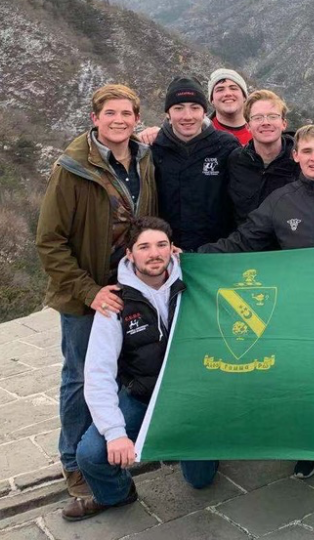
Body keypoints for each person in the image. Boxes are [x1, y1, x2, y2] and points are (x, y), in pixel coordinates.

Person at [200, 124, 314, 479]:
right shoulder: (280, 201)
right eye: (308, 152)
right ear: (296, 155)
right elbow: (242, 242)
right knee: (304, 377)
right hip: (298, 308)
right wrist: (193, 259)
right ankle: (307, 446)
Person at [36, 84, 157, 498]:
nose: (119, 120)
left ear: (137, 119)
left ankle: (115, 443)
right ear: (95, 118)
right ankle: (74, 463)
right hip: (88, 292)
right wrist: (90, 292)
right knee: (80, 376)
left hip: (131, 285)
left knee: (121, 369)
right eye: (111, 114)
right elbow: (49, 240)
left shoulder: (144, 159)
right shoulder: (71, 169)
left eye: (127, 114)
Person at [62, 217, 218, 521]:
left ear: (173, 250)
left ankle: (199, 444)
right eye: (144, 247)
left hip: (188, 398)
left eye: (161, 245)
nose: (154, 253)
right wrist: (115, 433)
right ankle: (116, 494)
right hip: (140, 396)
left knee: (201, 481)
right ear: (130, 254)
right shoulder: (116, 302)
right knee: (91, 454)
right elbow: (98, 372)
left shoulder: (193, 287)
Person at [151, 77, 238, 251]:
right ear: (168, 113)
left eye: (195, 108)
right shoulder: (154, 148)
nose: (187, 116)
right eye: (178, 108)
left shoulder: (225, 146)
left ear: (204, 112)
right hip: (167, 254)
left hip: (216, 253)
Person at [227, 89, 299, 222]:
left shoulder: (299, 161)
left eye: (272, 116)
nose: (266, 122)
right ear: (248, 126)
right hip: (245, 240)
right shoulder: (236, 162)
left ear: (284, 124)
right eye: (258, 118)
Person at [208, 68, 252, 144]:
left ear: (244, 96)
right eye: (220, 89)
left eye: (233, 88)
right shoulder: (200, 134)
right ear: (212, 100)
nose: (227, 93)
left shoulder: (262, 131)